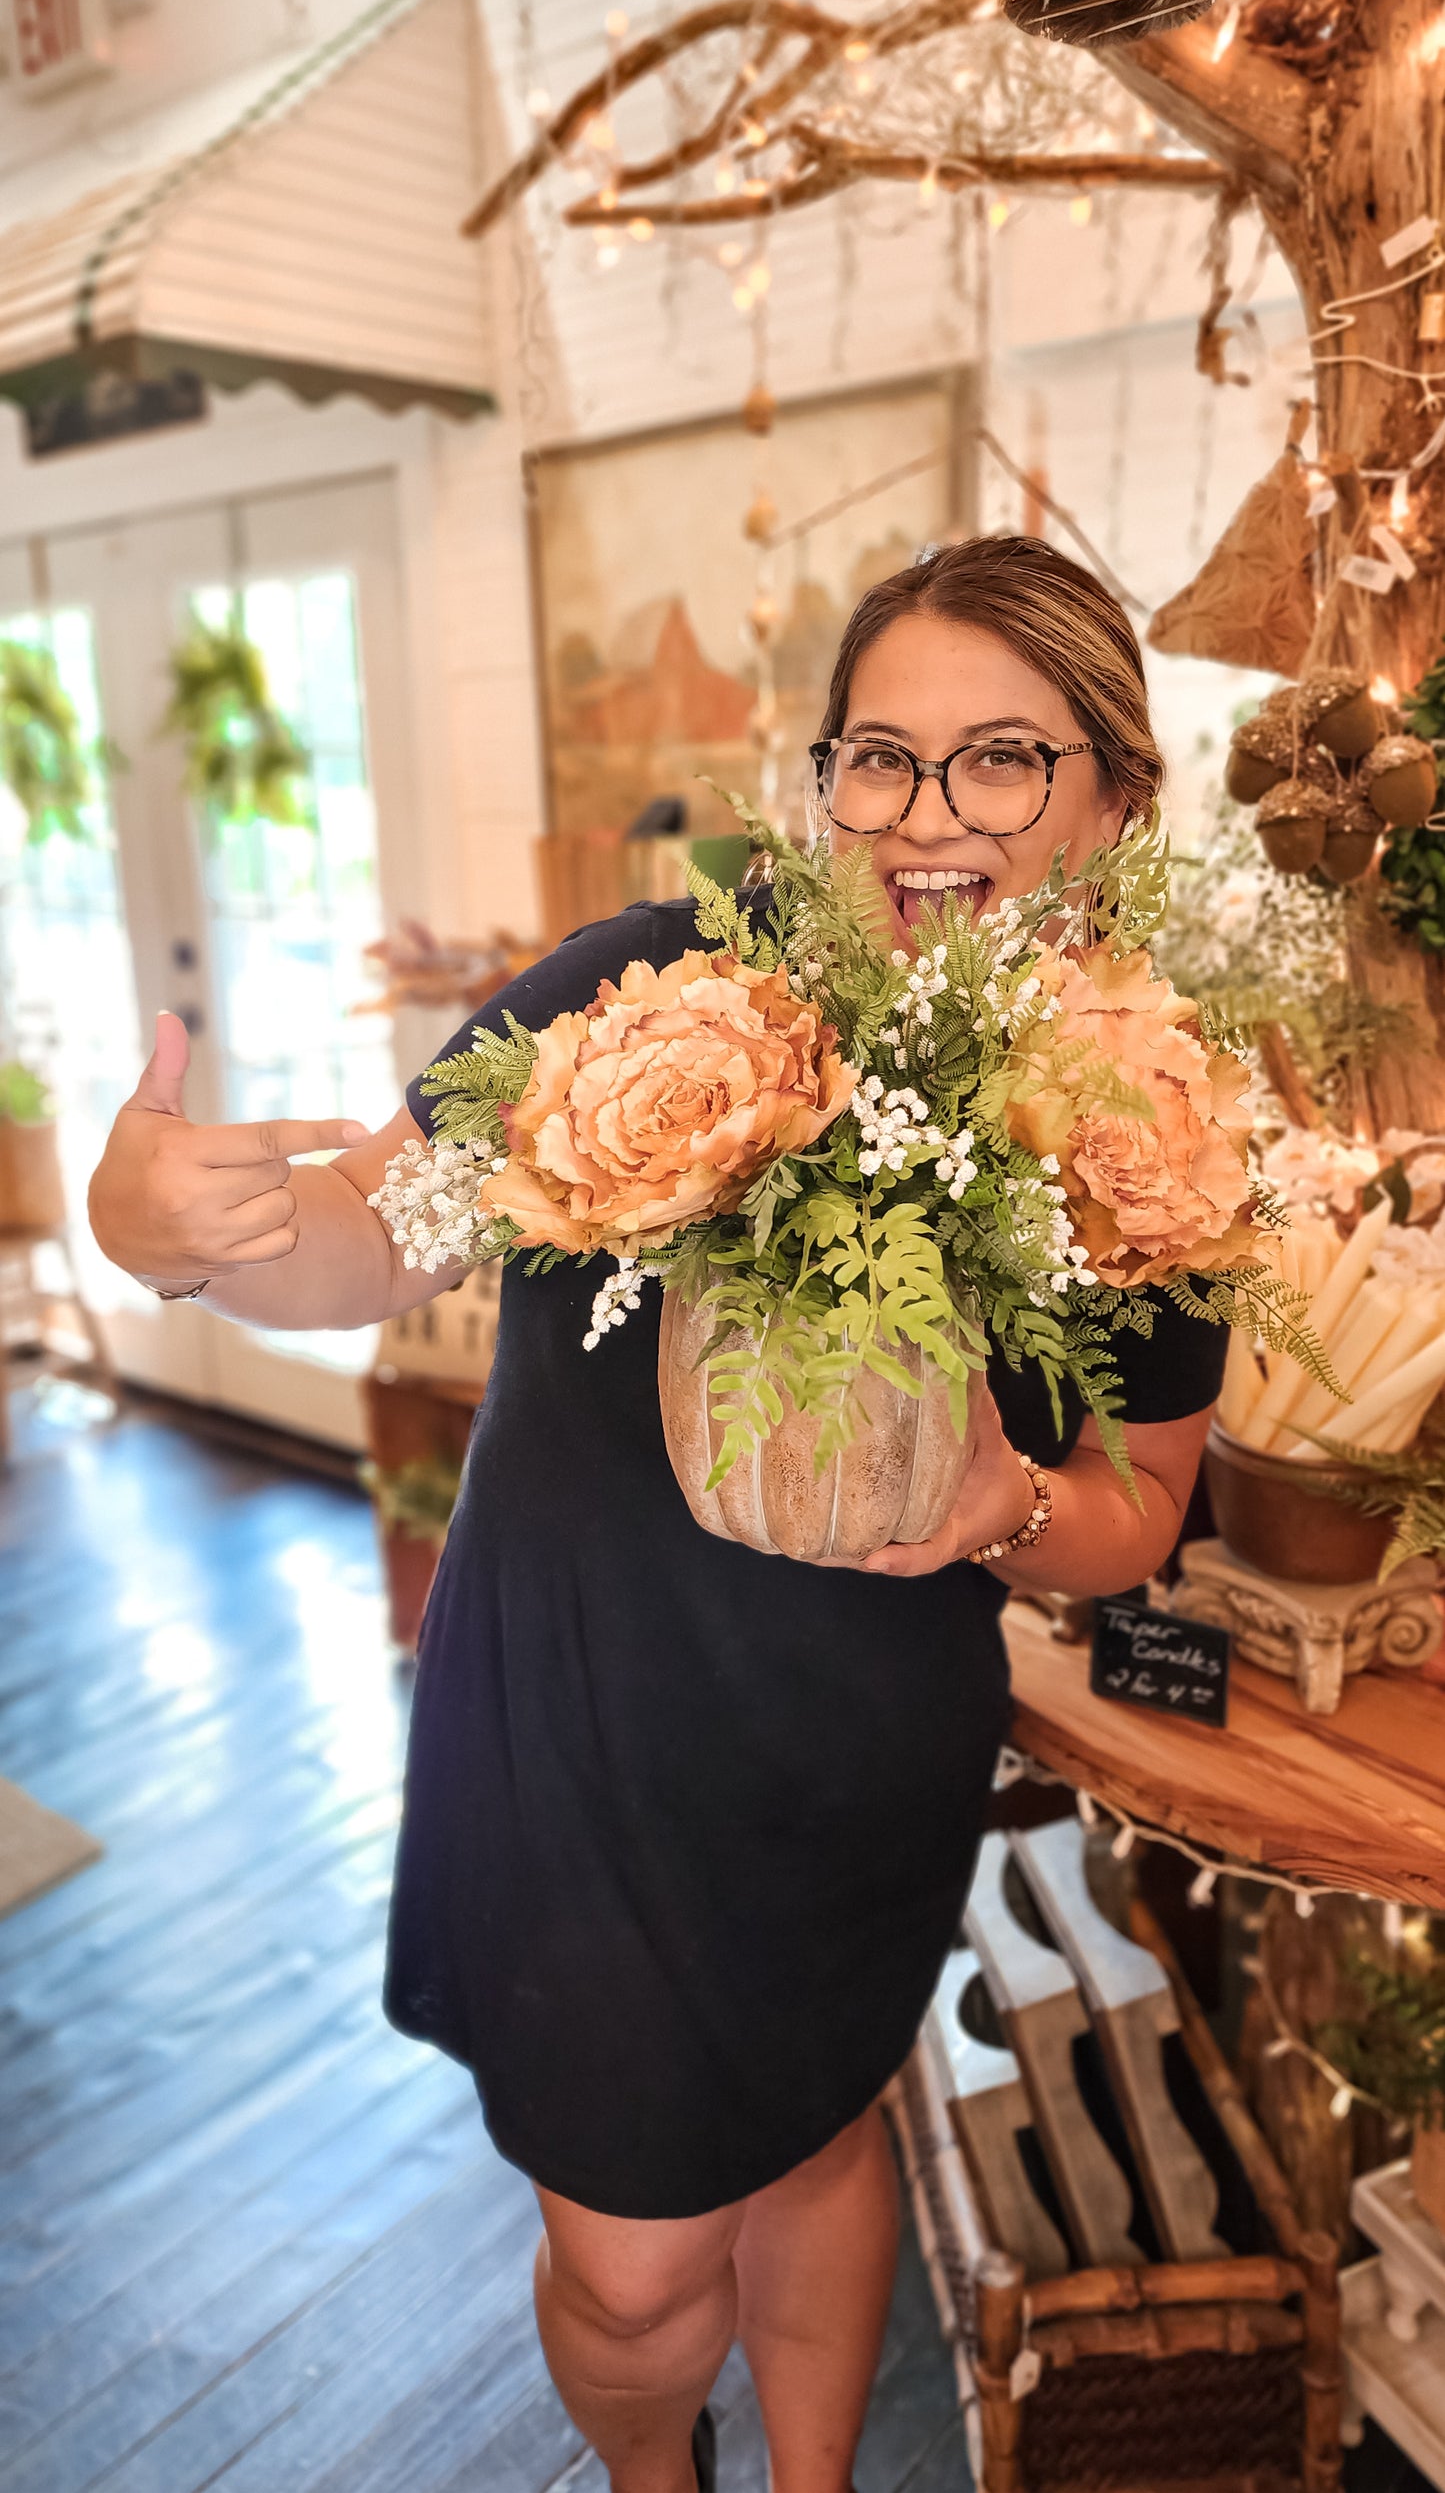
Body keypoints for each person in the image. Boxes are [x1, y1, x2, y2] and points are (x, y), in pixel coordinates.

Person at [90, 535, 1228, 2493]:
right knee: (627, 2275)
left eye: (1005, 759)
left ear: (1118, 795)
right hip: (581, 1726)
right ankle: (650, 2475)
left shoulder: (1147, 1113)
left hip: (853, 1753)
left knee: (814, 2131)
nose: (928, 813)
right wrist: (183, 1240)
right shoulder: (642, 990)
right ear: (823, 781)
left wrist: (1005, 1498)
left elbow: (1138, 1518)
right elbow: (384, 1232)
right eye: (882, 755)